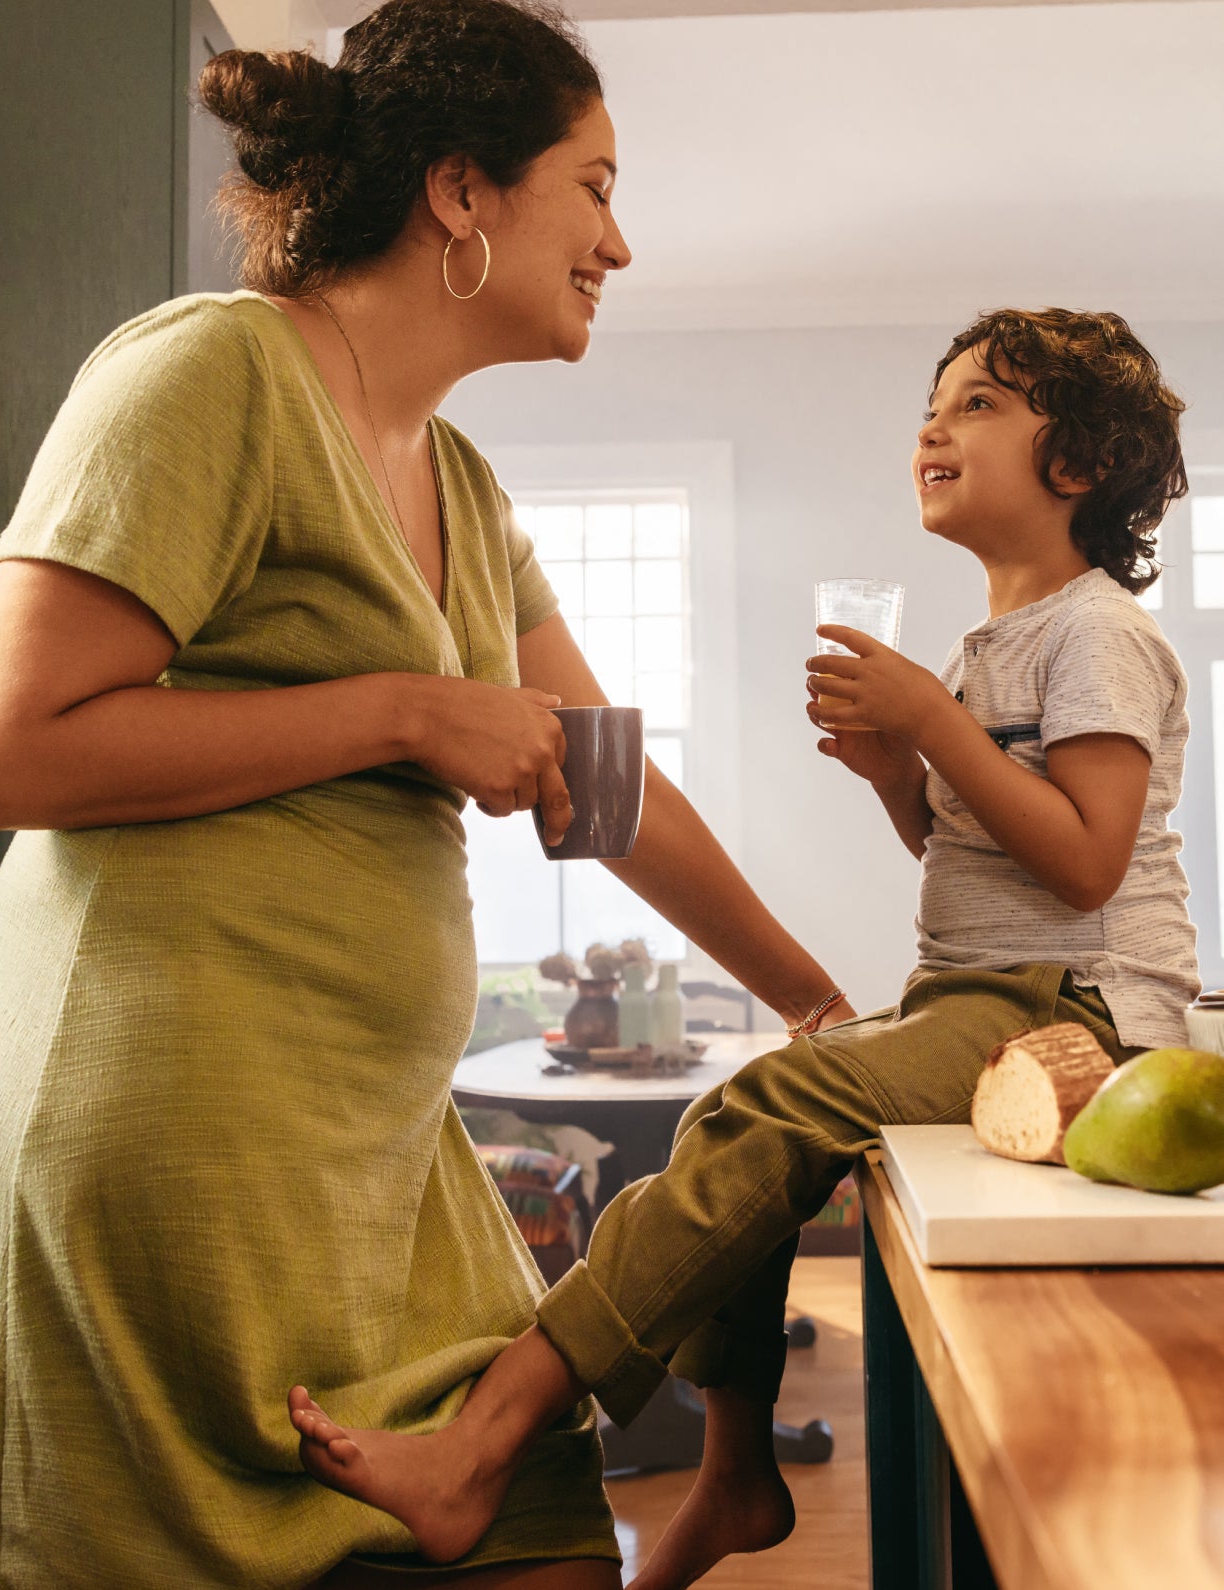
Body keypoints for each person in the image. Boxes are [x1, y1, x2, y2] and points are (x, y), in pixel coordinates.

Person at [0, 3, 854, 1586]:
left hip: (369, 1154)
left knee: (544, 1528)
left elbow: (611, 785)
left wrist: (816, 1001)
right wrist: (404, 709)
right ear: (461, 193)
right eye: (597, 186)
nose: (620, 244)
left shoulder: (466, 485)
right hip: (158, 1136)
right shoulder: (210, 371)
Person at [285, 306, 1201, 1588]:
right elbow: (984, 867)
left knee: (779, 1092)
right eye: (933, 402)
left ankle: (490, 1439)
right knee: (744, 1104)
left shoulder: (1097, 631)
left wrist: (930, 725)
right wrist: (900, 772)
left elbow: (1089, 861)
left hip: (1082, 1014)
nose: (934, 423)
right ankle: (731, 1471)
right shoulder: (989, 642)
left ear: (1082, 464)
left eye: (982, 402)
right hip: (981, 987)